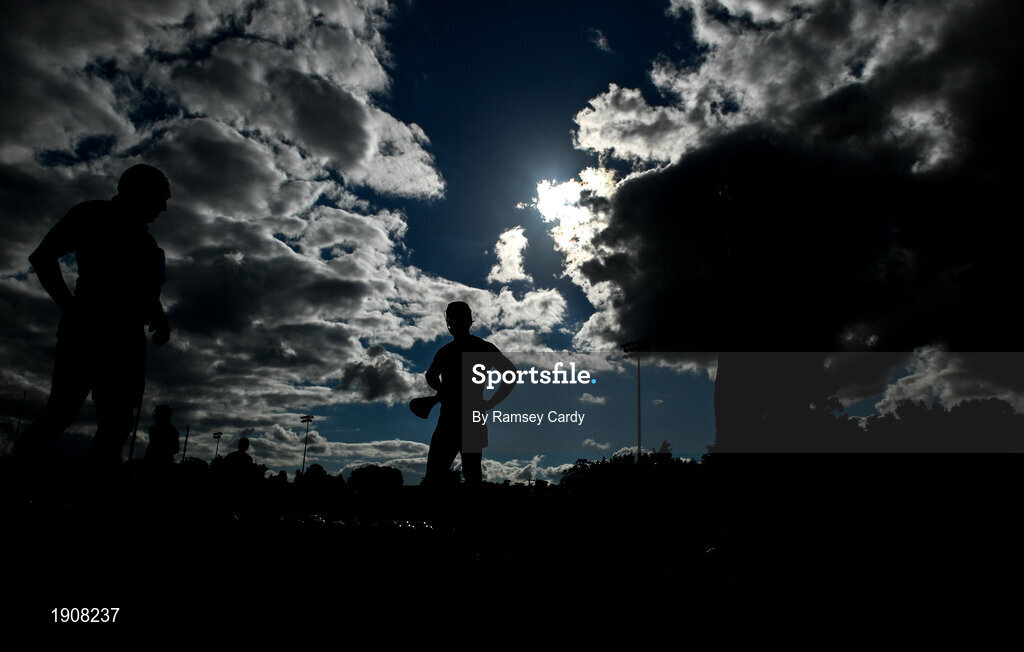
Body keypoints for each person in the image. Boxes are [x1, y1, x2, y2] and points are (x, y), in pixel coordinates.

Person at [13, 164, 171, 469]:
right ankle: (16, 477)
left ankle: (96, 497)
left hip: (126, 339)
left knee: (117, 424)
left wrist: (159, 316)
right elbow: (43, 256)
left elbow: (150, 293)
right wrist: (68, 305)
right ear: (137, 192)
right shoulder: (93, 215)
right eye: (159, 198)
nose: (163, 208)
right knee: (62, 411)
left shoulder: (150, 245)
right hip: (88, 330)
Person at [423, 301, 516, 487]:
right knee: (470, 475)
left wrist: (443, 391)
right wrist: (490, 403)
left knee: (438, 476)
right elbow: (510, 374)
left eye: (454, 320)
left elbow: (431, 376)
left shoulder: (446, 351)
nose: (453, 324)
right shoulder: (483, 348)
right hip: (467, 419)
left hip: (452, 420)